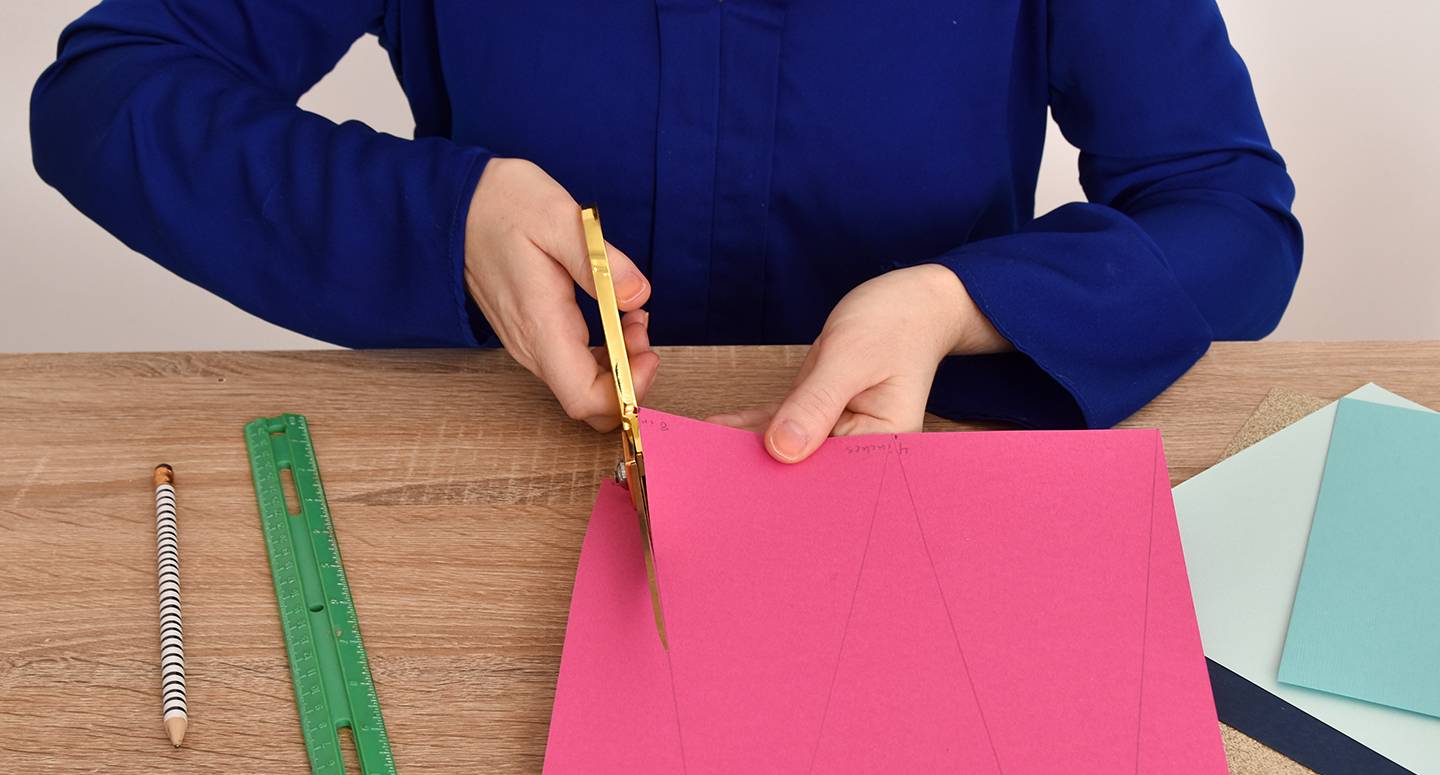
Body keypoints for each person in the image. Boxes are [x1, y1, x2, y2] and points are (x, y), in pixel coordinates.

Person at [31, 1, 1301, 464]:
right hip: (500, 493)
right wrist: (444, 217)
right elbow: (110, 92)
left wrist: (960, 305)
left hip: (923, 491)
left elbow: (1227, 216)